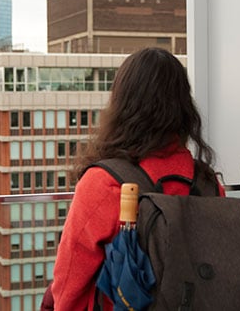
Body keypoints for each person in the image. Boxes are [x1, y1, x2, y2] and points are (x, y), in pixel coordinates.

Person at [48, 47, 225, 310]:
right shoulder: (206, 182)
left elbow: (70, 279)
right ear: (184, 106)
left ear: (122, 104)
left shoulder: (104, 182)